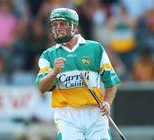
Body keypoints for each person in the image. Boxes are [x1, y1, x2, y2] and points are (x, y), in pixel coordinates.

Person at [36, 7, 120, 140]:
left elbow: (111, 82)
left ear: (74, 26)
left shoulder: (95, 48)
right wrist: (54, 72)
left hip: (95, 113)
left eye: (62, 24)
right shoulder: (48, 55)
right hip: (67, 115)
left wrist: (107, 103)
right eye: (54, 25)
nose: (57, 28)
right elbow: (41, 87)